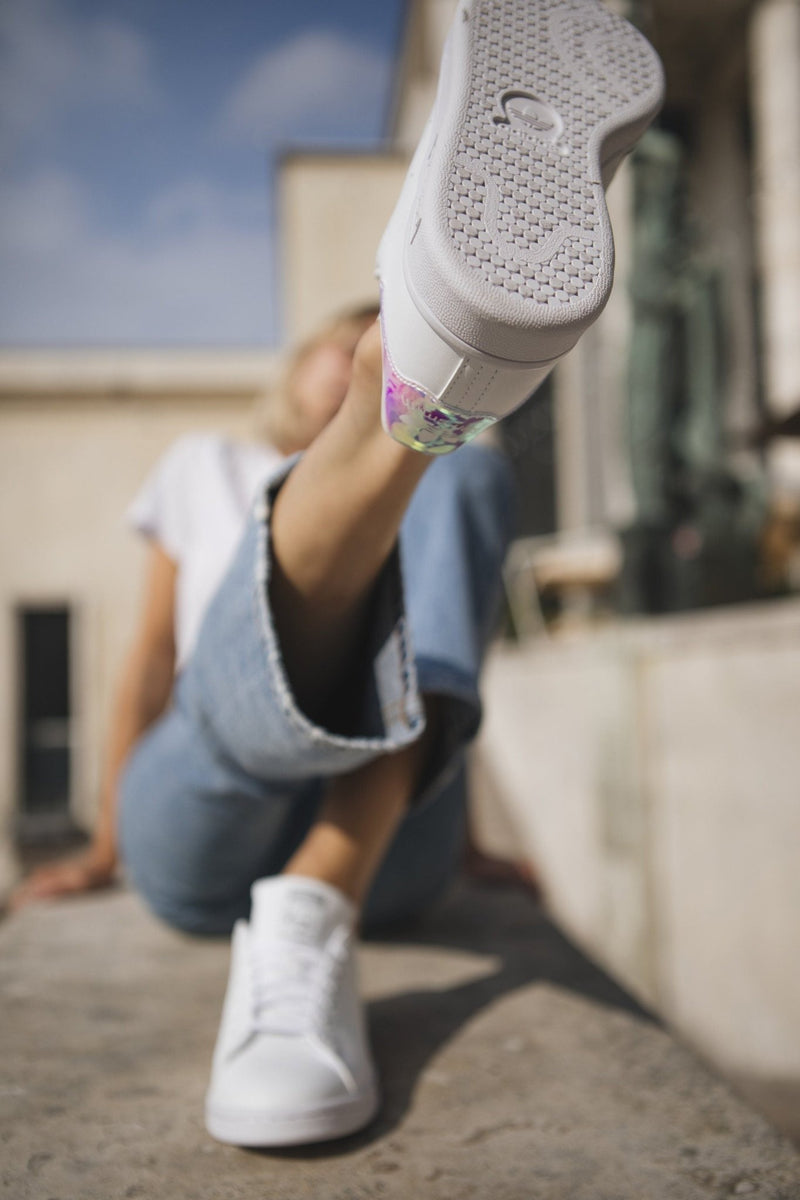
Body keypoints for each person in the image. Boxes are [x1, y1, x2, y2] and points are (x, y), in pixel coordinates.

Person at [11, 0, 663, 1150]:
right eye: (339, 339)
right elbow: (153, 660)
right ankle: (412, 388)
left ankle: (419, 393)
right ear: (303, 356)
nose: (334, 351)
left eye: (367, 328)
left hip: (383, 861)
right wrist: (109, 843)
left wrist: (458, 831)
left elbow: (443, 663)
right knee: (265, 643)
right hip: (205, 821)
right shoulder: (203, 461)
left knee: (458, 472)